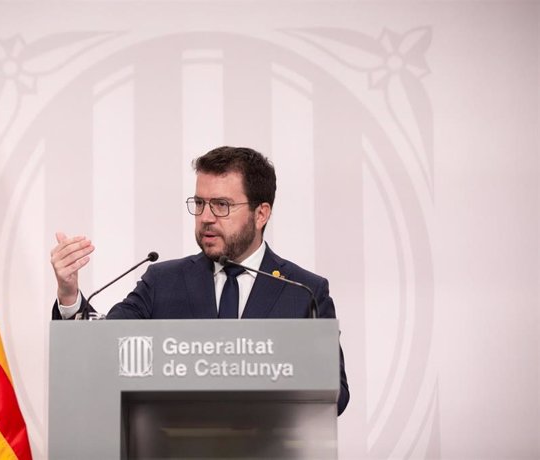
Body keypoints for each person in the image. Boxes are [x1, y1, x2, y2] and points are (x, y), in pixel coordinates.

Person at [50, 146, 349, 415]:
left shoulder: (303, 291)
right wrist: (69, 295)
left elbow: (336, 395)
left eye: (221, 205)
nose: (206, 217)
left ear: (261, 214)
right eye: (200, 203)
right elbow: (103, 346)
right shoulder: (163, 281)